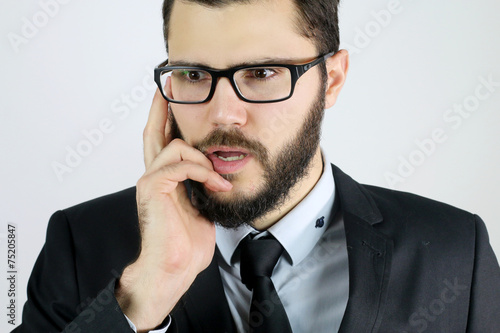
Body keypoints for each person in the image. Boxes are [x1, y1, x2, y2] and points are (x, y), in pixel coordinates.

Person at [13, 0, 500, 332]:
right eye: (194, 74)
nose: (223, 113)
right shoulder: (81, 244)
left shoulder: (457, 250)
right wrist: (144, 295)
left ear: (332, 80)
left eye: (263, 73)